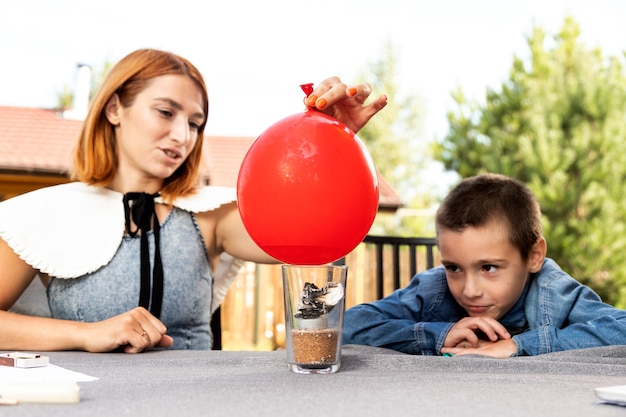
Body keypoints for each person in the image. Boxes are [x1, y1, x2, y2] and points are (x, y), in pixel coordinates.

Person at [0, 48, 387, 353]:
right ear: (115, 108)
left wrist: (330, 142)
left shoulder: (211, 216)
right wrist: (86, 335)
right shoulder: (46, 213)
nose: (182, 136)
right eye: (166, 112)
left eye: (195, 123)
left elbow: (311, 241)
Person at [343, 173, 626, 358]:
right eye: (454, 267)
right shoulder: (435, 288)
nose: (470, 290)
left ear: (534, 256)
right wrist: (437, 335)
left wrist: (517, 346)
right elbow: (348, 325)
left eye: (489, 268)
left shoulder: (553, 291)